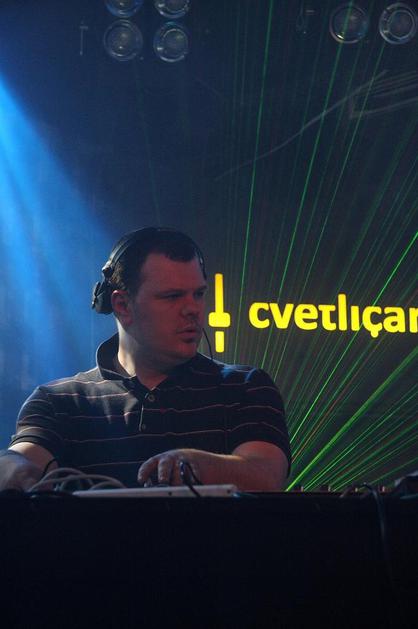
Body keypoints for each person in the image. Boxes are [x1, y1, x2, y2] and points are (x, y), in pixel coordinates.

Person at [0, 227, 291, 491]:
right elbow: (20, 461)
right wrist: (13, 468)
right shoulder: (59, 402)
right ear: (122, 305)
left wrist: (199, 464)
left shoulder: (246, 387)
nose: (192, 309)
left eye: (198, 294)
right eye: (173, 296)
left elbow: (266, 475)